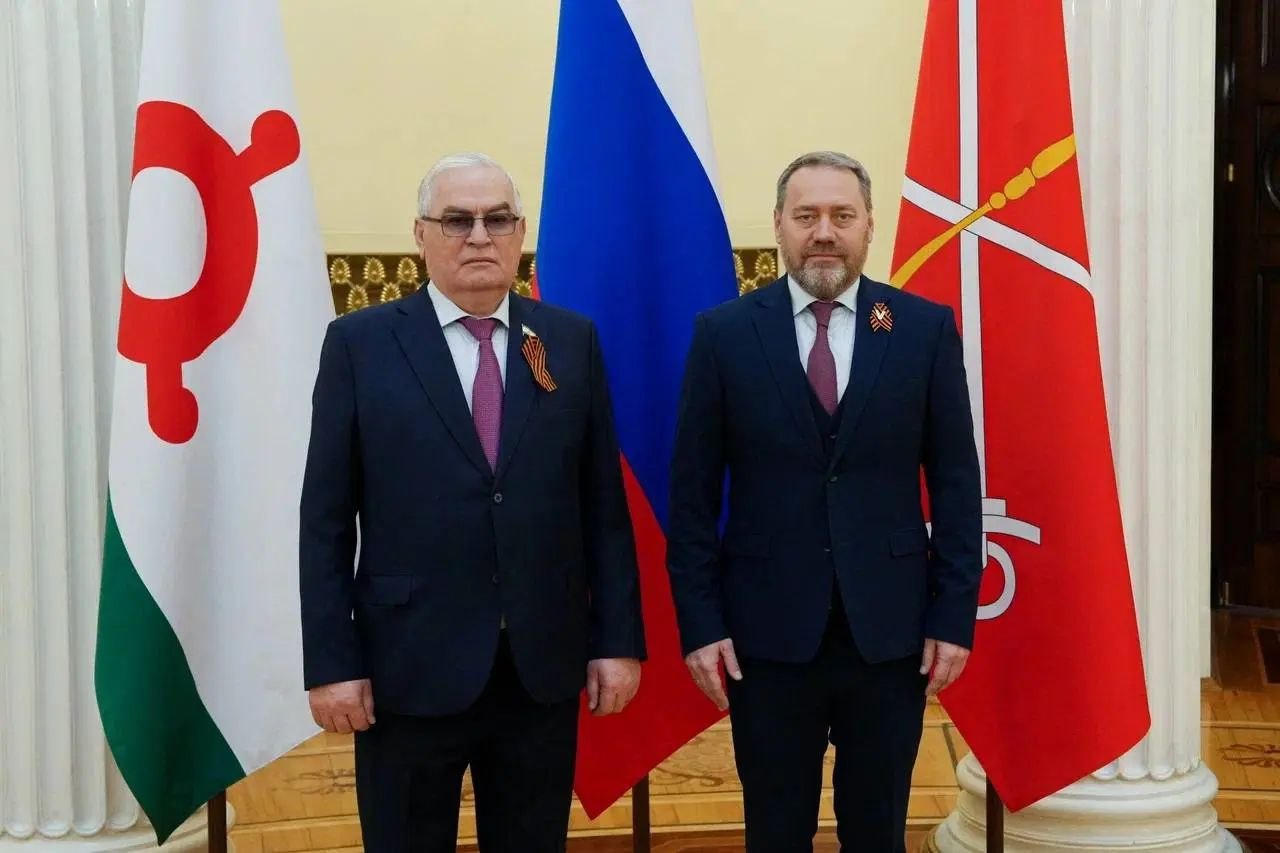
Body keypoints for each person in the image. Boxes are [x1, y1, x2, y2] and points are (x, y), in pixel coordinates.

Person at [299, 152, 645, 853]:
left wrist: (616, 642)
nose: (480, 236)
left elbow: (602, 509)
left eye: (498, 219)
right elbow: (326, 519)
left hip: (539, 668)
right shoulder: (360, 344)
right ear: (421, 234)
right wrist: (333, 662)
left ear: (521, 233)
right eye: (458, 220)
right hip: (407, 666)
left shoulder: (569, 341)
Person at [666, 150, 982, 851]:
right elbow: (691, 497)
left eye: (842, 215)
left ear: (870, 225)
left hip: (891, 635)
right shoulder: (724, 334)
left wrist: (954, 614)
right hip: (765, 637)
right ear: (779, 224)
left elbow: (958, 484)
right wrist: (701, 623)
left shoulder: (921, 329)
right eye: (806, 215)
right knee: (775, 832)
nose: (824, 232)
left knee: (877, 832)